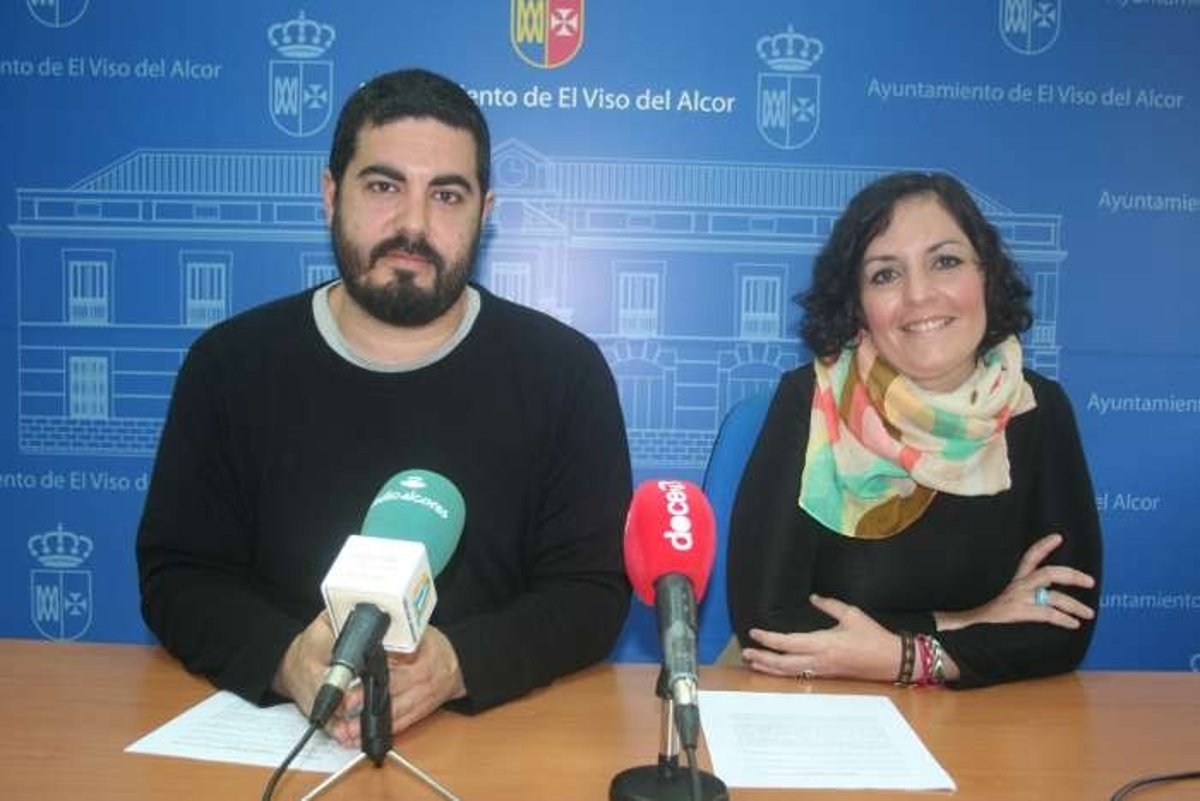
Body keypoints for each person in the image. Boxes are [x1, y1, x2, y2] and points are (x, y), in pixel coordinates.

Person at [136, 68, 632, 745]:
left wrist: (457, 664)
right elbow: (178, 576)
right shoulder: (229, 365)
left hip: (493, 740)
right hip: (279, 735)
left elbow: (591, 592)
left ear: (485, 212)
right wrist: (288, 659)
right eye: (383, 186)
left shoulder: (564, 373)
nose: (413, 225)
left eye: (447, 195)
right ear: (330, 194)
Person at [726, 171, 1101, 688]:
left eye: (945, 262)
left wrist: (905, 656)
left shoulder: (1037, 409)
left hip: (983, 719)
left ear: (986, 274)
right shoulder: (811, 399)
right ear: (858, 304)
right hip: (821, 702)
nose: (919, 295)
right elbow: (768, 622)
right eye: (885, 275)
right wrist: (967, 623)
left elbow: (1064, 626)